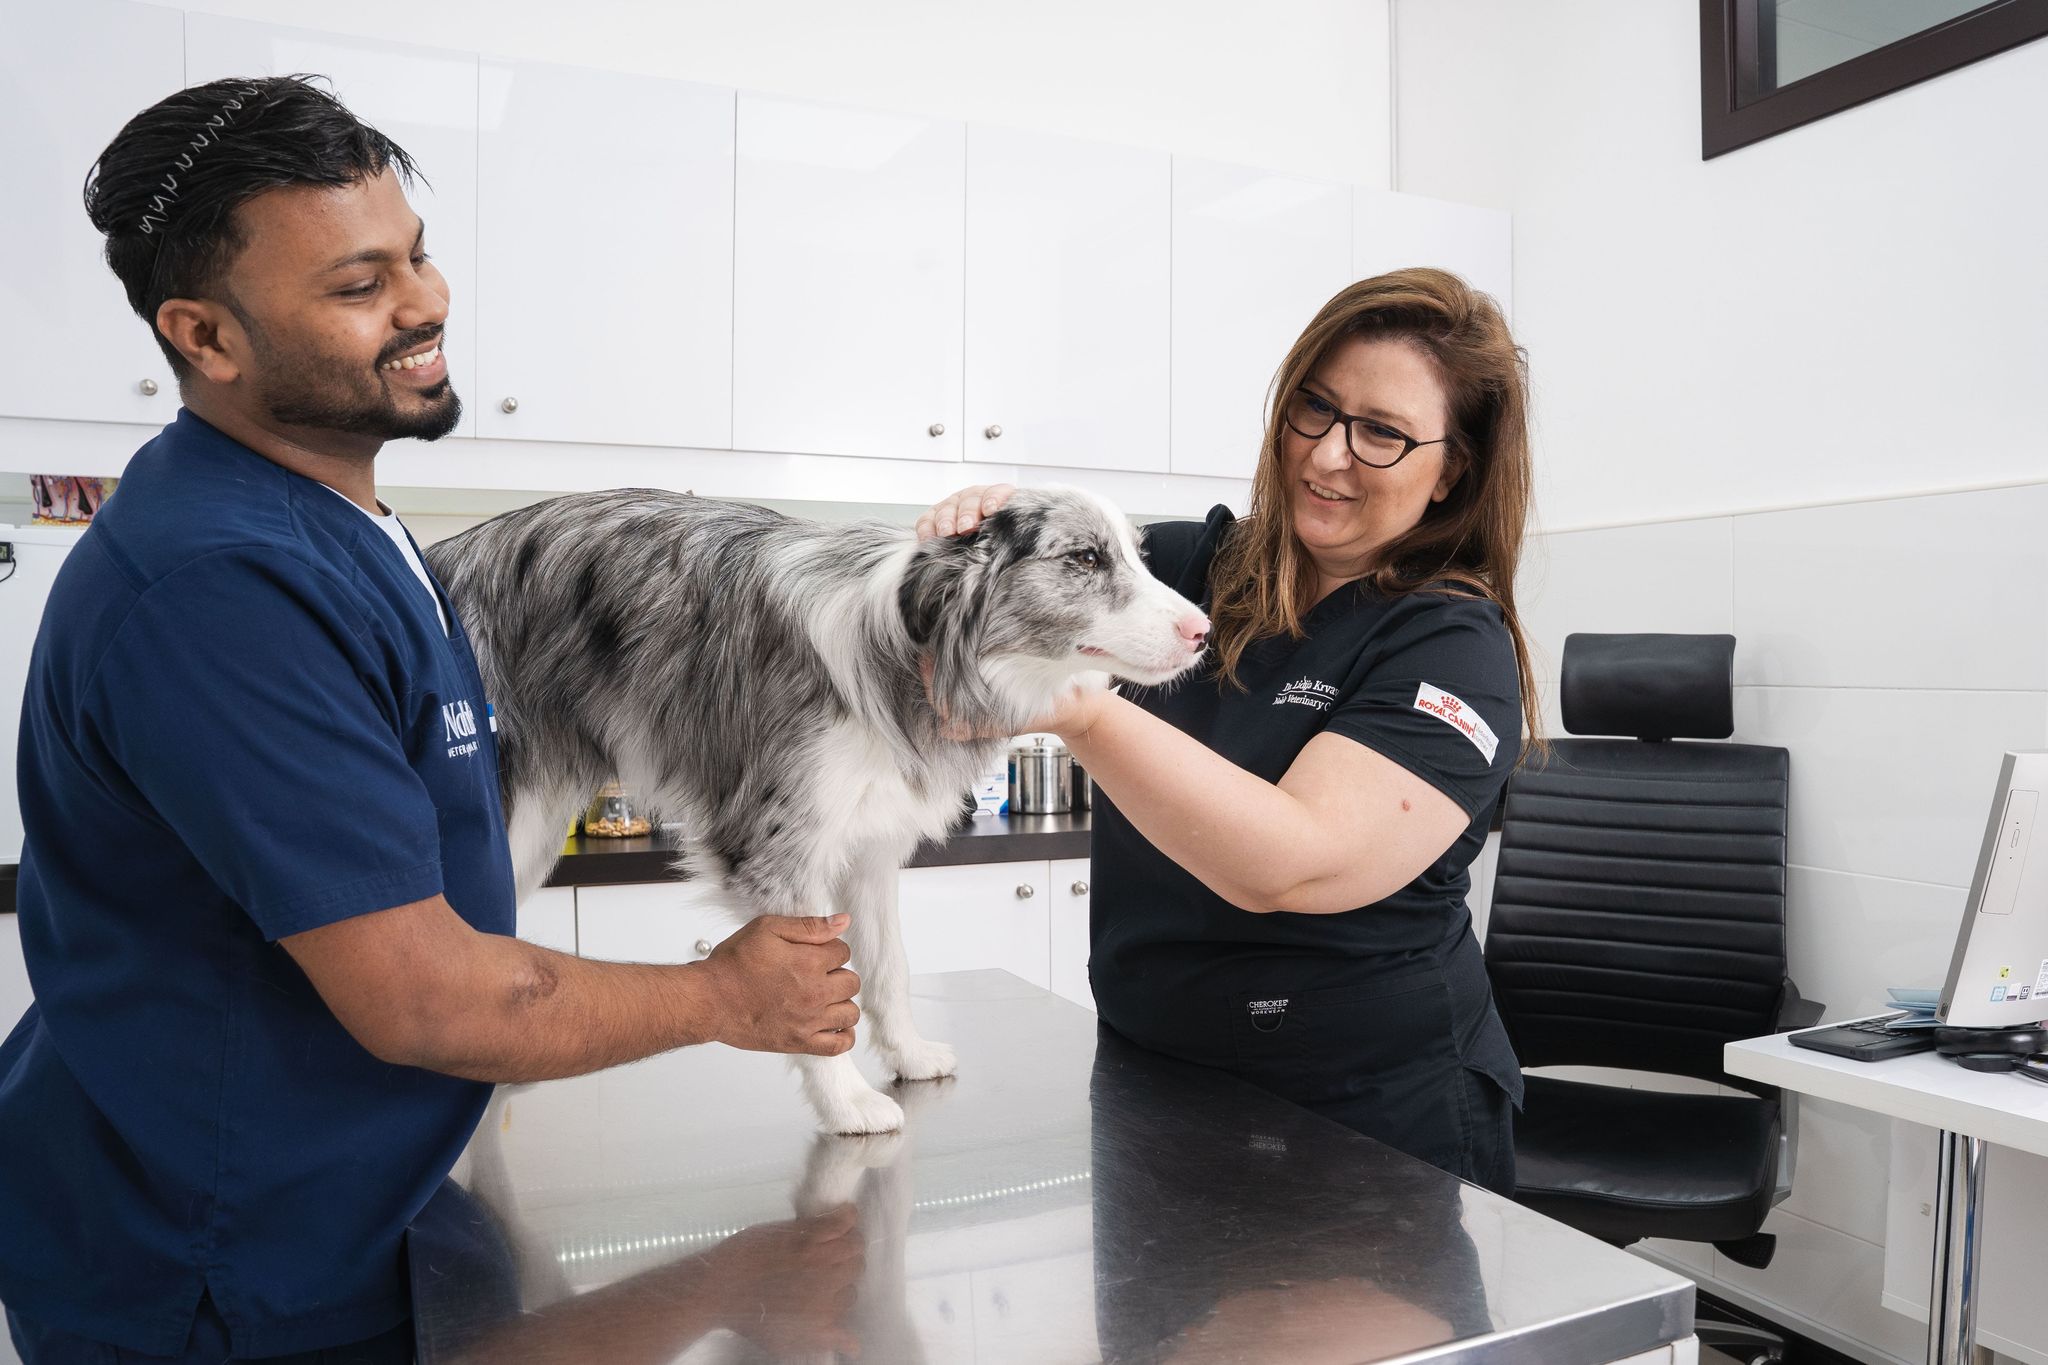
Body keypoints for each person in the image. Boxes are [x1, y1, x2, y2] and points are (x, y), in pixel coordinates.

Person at [0, 77, 860, 1364]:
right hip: (224, 1276)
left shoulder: (344, 523)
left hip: (355, 1213)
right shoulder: (220, 585)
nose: (424, 305)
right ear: (204, 335)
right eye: (358, 288)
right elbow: (424, 999)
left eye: (417, 255)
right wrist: (723, 995)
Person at [920, 268, 1539, 1194]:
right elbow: (954, 646)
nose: (1328, 455)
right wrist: (977, 543)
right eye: (1314, 409)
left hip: (1363, 1113)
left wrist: (1083, 709)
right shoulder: (1181, 567)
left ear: (1452, 469)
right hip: (1150, 1082)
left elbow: (1298, 860)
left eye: (1381, 433)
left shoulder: (1454, 645)